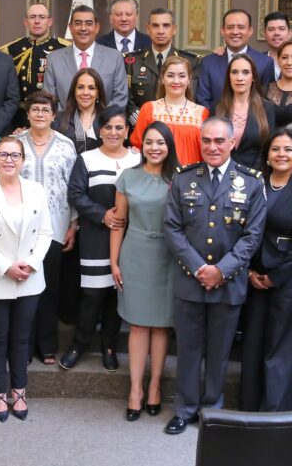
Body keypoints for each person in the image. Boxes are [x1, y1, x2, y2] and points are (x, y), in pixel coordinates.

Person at [163, 117, 266, 435]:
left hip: (229, 283)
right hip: (190, 281)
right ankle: (185, 408)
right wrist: (199, 268)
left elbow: (253, 235)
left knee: (220, 350)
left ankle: (212, 409)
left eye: (219, 141)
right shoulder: (183, 179)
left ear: (232, 142)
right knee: (189, 349)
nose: (212, 147)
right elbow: (171, 227)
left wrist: (221, 270)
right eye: (206, 140)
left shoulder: (251, 182)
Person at [0, 137, 54, 422]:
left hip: (29, 277)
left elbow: (45, 233)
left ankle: (19, 391)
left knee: (21, 338)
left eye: (15, 155)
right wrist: (7, 267)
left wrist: (29, 265)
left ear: (23, 160)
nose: (9, 159)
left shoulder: (36, 191)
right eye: (3, 154)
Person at [239, 128, 292, 412]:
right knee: (253, 343)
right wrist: (249, 272)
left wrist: (275, 277)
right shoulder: (253, 185)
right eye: (275, 149)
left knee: (281, 347)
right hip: (253, 275)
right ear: (267, 156)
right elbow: (240, 231)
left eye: (287, 150)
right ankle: (250, 406)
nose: (281, 154)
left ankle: (277, 410)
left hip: (289, 279)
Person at [62, 105, 141, 371]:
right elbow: (76, 194)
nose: (113, 132)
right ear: (100, 130)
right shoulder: (87, 158)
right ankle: (80, 343)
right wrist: (101, 214)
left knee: (115, 294)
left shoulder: (136, 160)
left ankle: (109, 345)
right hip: (96, 235)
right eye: (108, 127)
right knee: (93, 294)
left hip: (130, 237)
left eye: (119, 127)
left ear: (127, 130)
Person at [110, 122, 179, 421]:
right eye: (149, 142)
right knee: (138, 325)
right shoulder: (128, 177)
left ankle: (155, 387)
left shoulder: (179, 178)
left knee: (162, 326)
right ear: (142, 146)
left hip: (169, 256)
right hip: (135, 252)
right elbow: (119, 222)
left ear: (169, 146)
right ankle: (135, 389)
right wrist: (114, 262)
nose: (155, 148)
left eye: (161, 143)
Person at [16, 92, 78, 364]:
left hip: (56, 224)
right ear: (28, 114)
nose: (40, 114)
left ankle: (47, 344)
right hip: (20, 226)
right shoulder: (15, 143)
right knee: (24, 286)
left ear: (55, 115)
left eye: (45, 110)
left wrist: (73, 225)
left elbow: (74, 188)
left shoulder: (65, 145)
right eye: (35, 109)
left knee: (50, 286)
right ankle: (24, 345)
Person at [125, 7, 201, 127]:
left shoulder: (191, 62)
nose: (160, 31)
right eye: (155, 26)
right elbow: (127, 98)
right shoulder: (131, 61)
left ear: (174, 29)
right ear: (148, 29)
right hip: (141, 128)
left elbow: (192, 97)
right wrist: (141, 121)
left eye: (166, 25)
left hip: (177, 126)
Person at [0, 2, 70, 130]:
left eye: (42, 17)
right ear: (25, 22)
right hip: (19, 119)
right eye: (33, 17)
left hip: (54, 117)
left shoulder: (64, 48)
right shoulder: (10, 49)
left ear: (50, 22)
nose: (37, 21)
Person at [45, 6, 128, 112]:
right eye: (78, 23)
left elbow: (120, 98)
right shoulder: (54, 59)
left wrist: (96, 122)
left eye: (89, 23)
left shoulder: (114, 58)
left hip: (102, 125)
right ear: (70, 28)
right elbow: (49, 100)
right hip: (63, 125)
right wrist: (68, 122)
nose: (83, 28)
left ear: (97, 27)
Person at [130, 55, 208, 165]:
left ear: (189, 80)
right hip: (157, 178)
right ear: (162, 79)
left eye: (182, 76)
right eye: (170, 75)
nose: (176, 81)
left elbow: (207, 151)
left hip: (191, 178)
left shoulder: (202, 112)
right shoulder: (149, 108)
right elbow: (138, 147)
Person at [196, 9, 274, 113]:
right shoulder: (208, 62)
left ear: (250, 31)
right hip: (217, 124)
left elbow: (266, 102)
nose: (235, 32)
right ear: (222, 31)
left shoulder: (265, 63)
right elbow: (202, 101)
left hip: (253, 126)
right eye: (230, 27)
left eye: (241, 27)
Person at [214, 55, 276, 168]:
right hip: (221, 176)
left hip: (255, 176)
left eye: (245, 72)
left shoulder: (267, 108)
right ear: (229, 77)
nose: (239, 78)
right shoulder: (217, 107)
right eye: (234, 72)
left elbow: (268, 148)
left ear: (253, 77)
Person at [54, 68, 107, 154]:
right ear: (74, 91)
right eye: (80, 87)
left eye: (91, 88)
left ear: (98, 93)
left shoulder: (109, 119)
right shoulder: (59, 119)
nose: (85, 92)